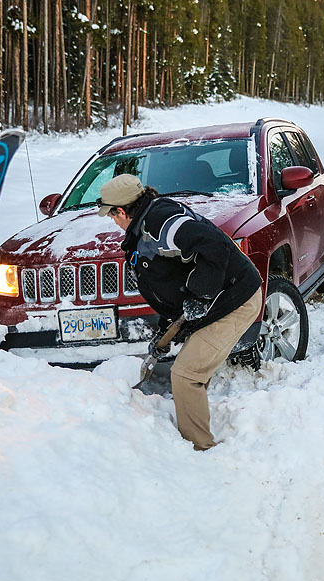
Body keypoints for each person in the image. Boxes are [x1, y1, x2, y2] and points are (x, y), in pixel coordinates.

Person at [98, 174, 263, 450]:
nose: (112, 221)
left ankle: (199, 450)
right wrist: (166, 330)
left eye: (111, 215)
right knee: (191, 370)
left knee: (186, 374)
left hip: (234, 299)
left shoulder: (161, 223)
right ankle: (195, 431)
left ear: (122, 211)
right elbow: (173, 281)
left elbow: (214, 246)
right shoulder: (147, 222)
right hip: (219, 301)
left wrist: (200, 294)